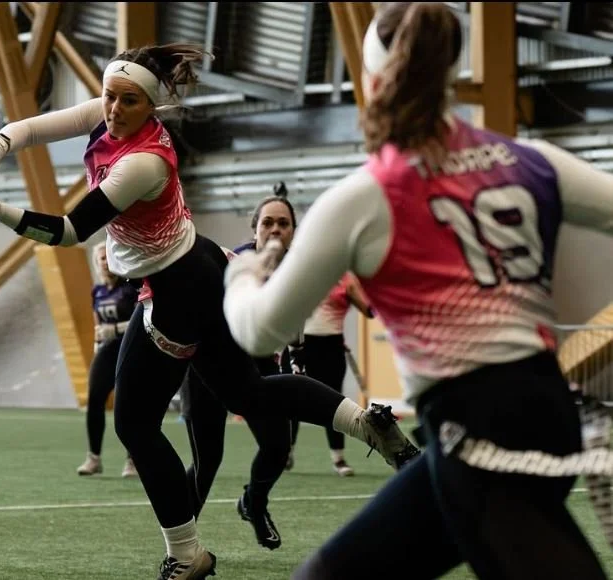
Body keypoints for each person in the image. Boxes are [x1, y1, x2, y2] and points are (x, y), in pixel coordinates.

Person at [0, 42, 419, 580]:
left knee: (135, 423)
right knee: (248, 394)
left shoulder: (142, 163)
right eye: (109, 96)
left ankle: (187, 556)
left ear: (152, 106)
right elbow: (36, 128)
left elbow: (70, 231)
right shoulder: (113, 111)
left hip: (178, 290)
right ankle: (367, 425)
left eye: (128, 101)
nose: (113, 109)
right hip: (199, 265)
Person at [222, 4, 610, 579]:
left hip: (479, 433)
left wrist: (243, 273)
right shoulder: (532, 161)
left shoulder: (365, 195)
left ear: (372, 80)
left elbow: (259, 331)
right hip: (532, 413)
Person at [179, 194, 299, 552]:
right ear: (254, 228)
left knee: (278, 447)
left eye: (283, 223)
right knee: (207, 460)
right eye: (267, 222)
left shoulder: (299, 270)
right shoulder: (231, 262)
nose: (275, 229)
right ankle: (182, 545)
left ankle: (253, 503)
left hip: (260, 362)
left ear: (294, 231)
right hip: (210, 361)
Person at [286, 273, 376, 476]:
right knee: (294, 398)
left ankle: (338, 458)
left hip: (332, 347)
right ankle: (286, 452)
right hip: (303, 345)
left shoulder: (347, 279)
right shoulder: (306, 270)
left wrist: (365, 289)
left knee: (334, 400)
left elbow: (370, 311)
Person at [77, 242, 139, 478]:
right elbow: (98, 326)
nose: (105, 262)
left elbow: (142, 319)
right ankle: (94, 458)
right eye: (101, 258)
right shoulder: (98, 291)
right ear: (97, 263)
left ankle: (133, 460)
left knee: (129, 404)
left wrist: (115, 329)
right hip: (107, 350)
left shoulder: (130, 287)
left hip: (130, 349)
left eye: (108, 257)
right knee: (94, 398)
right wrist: (97, 346)